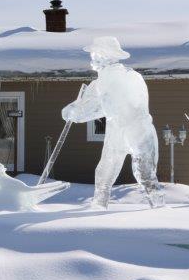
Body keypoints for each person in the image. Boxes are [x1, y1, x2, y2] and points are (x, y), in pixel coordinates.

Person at [61, 36, 164, 209]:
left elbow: (90, 109)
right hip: (140, 130)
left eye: (94, 54)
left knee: (109, 174)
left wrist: (70, 112)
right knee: (142, 174)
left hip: (127, 131)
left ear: (103, 55)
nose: (92, 58)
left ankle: (99, 207)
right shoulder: (135, 76)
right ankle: (159, 206)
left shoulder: (103, 82)